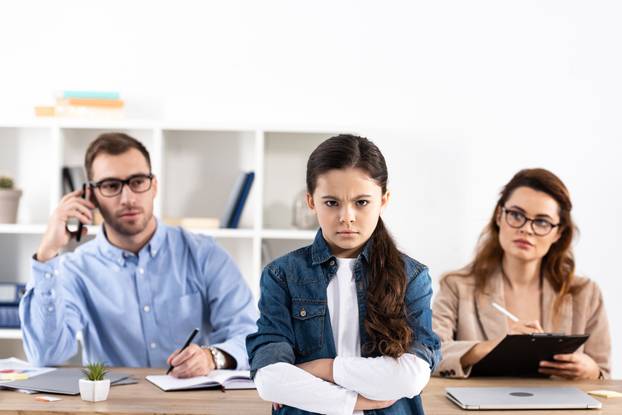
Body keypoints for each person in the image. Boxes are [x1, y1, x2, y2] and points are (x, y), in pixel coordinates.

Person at [19, 132, 258, 377]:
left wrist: (212, 358)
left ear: (153, 186)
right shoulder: (75, 269)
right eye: (111, 186)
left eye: (137, 182)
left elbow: (251, 335)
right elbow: (45, 355)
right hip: (114, 405)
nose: (128, 198)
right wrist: (47, 253)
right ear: (91, 196)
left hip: (194, 403)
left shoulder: (204, 254)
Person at [246, 135, 441, 415]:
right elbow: (270, 380)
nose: (346, 216)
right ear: (311, 201)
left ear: (384, 200)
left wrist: (321, 369)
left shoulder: (412, 277)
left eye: (361, 202)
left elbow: (411, 376)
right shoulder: (281, 276)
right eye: (331, 203)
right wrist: (355, 402)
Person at [432, 168, 610, 380]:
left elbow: (605, 376)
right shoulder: (456, 285)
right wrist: (495, 347)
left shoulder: (585, 293)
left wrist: (591, 370)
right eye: (516, 215)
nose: (526, 229)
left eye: (542, 222)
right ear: (499, 215)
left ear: (558, 232)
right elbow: (430, 356)